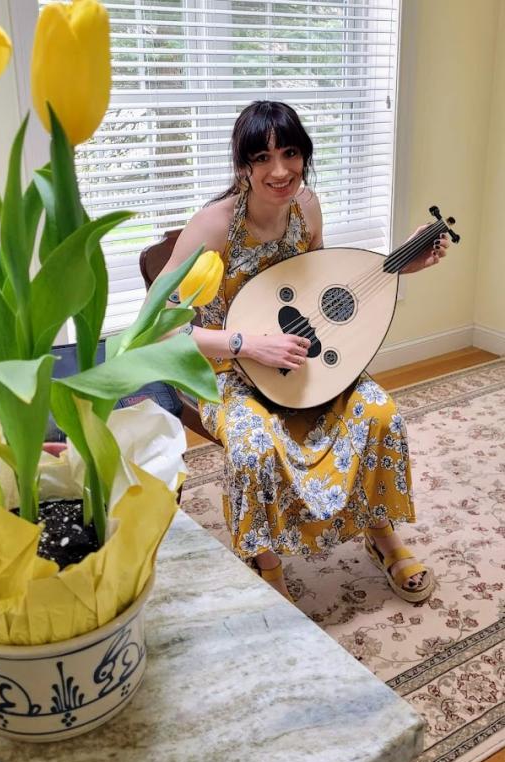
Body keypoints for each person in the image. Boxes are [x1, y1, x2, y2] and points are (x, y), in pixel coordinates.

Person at [160, 100, 450, 603]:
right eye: (263, 158)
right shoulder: (212, 227)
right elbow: (157, 330)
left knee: (379, 412)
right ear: (242, 166)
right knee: (254, 446)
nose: (280, 170)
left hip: (301, 359)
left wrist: (399, 267)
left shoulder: (307, 207)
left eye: (291, 153)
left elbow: (320, 294)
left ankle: (381, 533)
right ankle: (265, 558)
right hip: (226, 368)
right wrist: (246, 343)